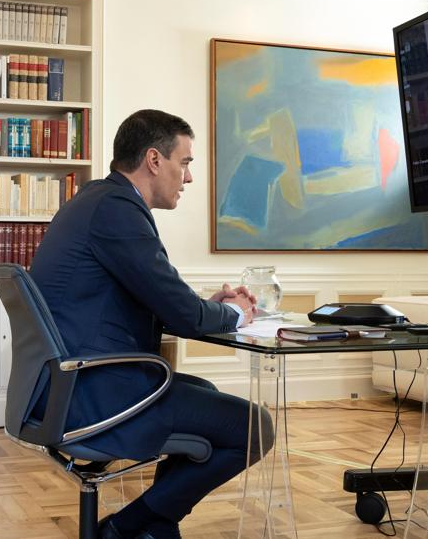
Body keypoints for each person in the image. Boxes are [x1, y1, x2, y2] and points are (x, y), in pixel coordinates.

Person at [29, 109, 270, 539]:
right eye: (186, 163)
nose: (189, 178)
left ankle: (155, 528)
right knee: (256, 428)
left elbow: (161, 299)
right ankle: (127, 527)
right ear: (155, 160)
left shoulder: (97, 200)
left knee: (206, 394)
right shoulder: (117, 210)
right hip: (95, 395)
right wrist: (235, 313)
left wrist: (206, 306)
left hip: (69, 385)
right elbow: (181, 312)